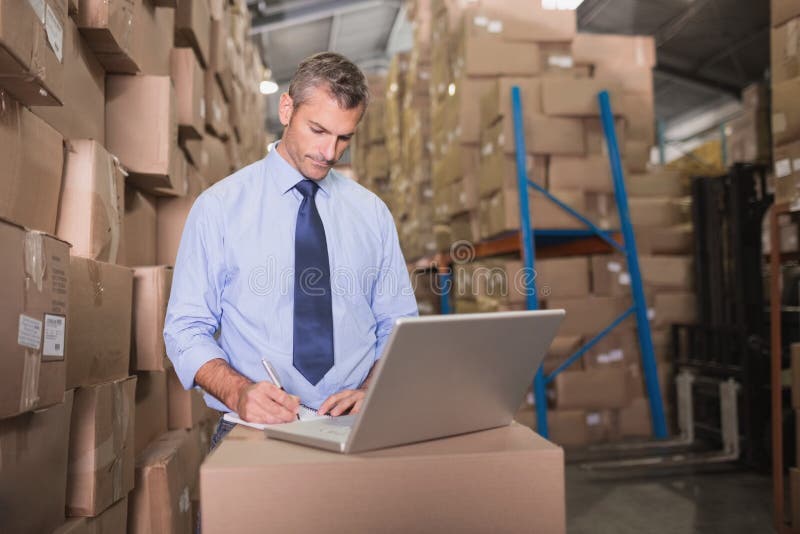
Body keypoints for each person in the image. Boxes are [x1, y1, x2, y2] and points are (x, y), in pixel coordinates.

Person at [164, 52, 419, 449]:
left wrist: (373, 389)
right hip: (252, 429)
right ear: (287, 109)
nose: (330, 152)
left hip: (357, 427)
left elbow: (398, 325)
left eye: (344, 138)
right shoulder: (219, 209)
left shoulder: (372, 215)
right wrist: (238, 392)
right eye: (317, 130)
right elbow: (184, 328)